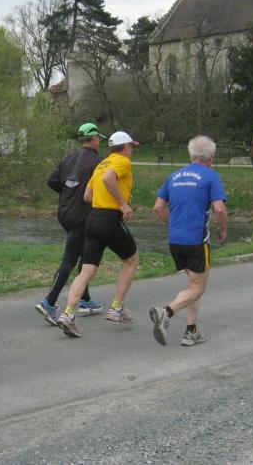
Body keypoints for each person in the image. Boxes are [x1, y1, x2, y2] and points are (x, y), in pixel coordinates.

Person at [57, 131, 140, 338]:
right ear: (125, 146)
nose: (132, 150)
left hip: (92, 218)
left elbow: (87, 195)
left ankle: (68, 314)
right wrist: (122, 204)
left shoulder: (102, 163)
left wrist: (106, 199)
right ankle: (116, 307)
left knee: (87, 270)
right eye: (131, 146)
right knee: (131, 260)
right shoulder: (122, 161)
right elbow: (109, 178)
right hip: (109, 219)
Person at [149, 135, 228, 346]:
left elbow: (158, 207)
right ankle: (166, 313)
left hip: (175, 240)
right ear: (211, 157)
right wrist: (222, 229)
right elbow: (219, 208)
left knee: (193, 284)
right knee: (198, 287)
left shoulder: (173, 176)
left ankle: (191, 330)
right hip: (196, 241)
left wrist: (174, 224)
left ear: (191, 154)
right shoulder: (210, 176)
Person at [36, 123, 104, 325]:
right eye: (99, 138)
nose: (99, 141)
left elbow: (52, 181)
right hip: (83, 215)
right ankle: (49, 302)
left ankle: (85, 299)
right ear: (94, 138)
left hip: (64, 213)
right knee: (70, 259)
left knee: (85, 253)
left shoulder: (67, 158)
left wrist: (68, 193)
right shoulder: (98, 162)